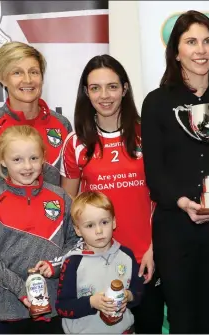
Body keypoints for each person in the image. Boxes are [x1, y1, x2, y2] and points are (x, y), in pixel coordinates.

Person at [141, 10, 209, 334]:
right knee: (182, 319)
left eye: (207, 41)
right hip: (175, 228)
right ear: (176, 51)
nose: (201, 50)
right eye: (191, 42)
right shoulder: (157, 103)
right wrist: (184, 203)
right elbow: (155, 173)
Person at [0, 41, 72, 334]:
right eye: (17, 72)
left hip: (51, 262)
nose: (27, 80)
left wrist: (67, 255)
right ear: (2, 77)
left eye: (34, 72)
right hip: (5, 264)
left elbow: (69, 191)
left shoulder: (62, 125)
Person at [59, 54, 165, 334]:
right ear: (86, 92)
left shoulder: (148, 133)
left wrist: (155, 248)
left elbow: (163, 195)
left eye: (112, 87)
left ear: (125, 89)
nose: (104, 96)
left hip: (146, 260)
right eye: (95, 88)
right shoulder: (76, 143)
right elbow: (69, 204)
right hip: (96, 266)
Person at [0, 125, 79, 334]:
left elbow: (76, 241)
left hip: (57, 305)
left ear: (43, 158)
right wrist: (22, 290)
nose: (27, 166)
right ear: (3, 161)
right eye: (17, 159)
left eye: (33, 158)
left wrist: (55, 265)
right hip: (13, 307)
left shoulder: (60, 197)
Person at [39, 191, 144, 334]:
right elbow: (62, 307)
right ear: (78, 230)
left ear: (114, 222)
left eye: (104, 222)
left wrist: (129, 296)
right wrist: (91, 302)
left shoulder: (127, 255)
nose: (99, 231)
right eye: (90, 226)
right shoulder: (73, 262)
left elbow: (138, 292)